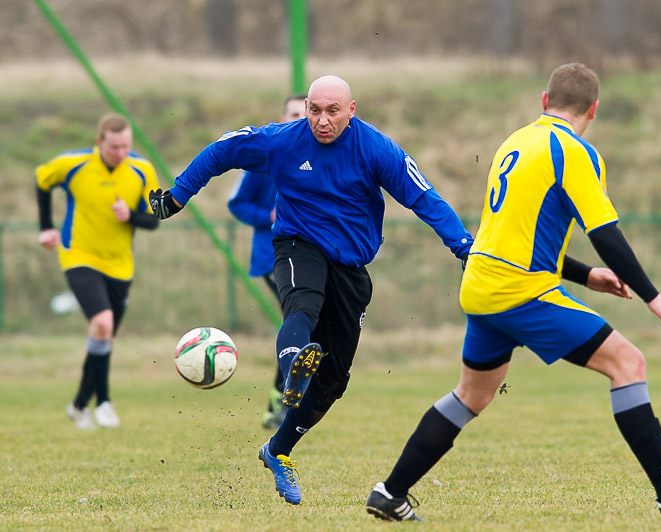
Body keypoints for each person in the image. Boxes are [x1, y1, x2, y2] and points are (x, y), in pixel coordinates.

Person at [365, 63, 661, 521]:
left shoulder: (515, 142)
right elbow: (606, 233)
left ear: (544, 101)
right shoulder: (574, 151)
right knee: (628, 362)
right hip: (520, 291)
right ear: (593, 110)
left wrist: (585, 276)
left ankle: (389, 492)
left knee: (471, 396)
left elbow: (514, 236)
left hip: (481, 285)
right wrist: (655, 298)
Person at [148, 75, 474, 505]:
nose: (321, 120)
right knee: (302, 304)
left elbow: (424, 198)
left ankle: (277, 450)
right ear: (305, 107)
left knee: (334, 381)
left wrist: (464, 246)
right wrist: (178, 195)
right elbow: (223, 149)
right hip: (297, 244)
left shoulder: (376, 149)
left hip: (352, 265)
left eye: (332, 111)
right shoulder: (282, 140)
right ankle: (291, 365)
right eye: (314, 110)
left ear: (351, 110)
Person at [36, 112, 160, 430]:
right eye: (114, 146)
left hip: (120, 265)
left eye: (126, 146)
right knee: (102, 323)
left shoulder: (142, 170)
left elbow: (153, 219)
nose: (121, 153)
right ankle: (103, 402)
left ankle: (78, 405)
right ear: (99, 141)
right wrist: (46, 227)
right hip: (79, 255)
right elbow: (42, 180)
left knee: (103, 337)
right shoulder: (72, 165)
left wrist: (129, 214)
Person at [227, 93, 306, 430]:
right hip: (271, 256)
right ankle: (281, 400)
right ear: (282, 117)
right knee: (299, 317)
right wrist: (267, 216)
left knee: (307, 320)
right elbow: (237, 203)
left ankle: (286, 397)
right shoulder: (268, 158)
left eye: (307, 114)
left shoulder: (323, 158)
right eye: (293, 114)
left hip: (309, 257)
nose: (300, 120)